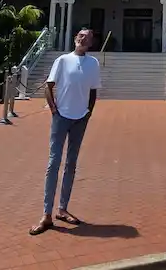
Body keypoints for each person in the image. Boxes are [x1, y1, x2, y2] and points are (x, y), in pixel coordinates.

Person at [30, 29, 101, 236]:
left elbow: (94, 90)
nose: (82, 38)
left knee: (71, 164)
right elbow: (48, 86)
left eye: (87, 37)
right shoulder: (62, 60)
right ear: (74, 38)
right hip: (61, 117)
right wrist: (54, 110)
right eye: (80, 35)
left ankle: (62, 209)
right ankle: (46, 214)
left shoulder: (93, 64)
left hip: (81, 118)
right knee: (53, 163)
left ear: (91, 42)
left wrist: (88, 112)